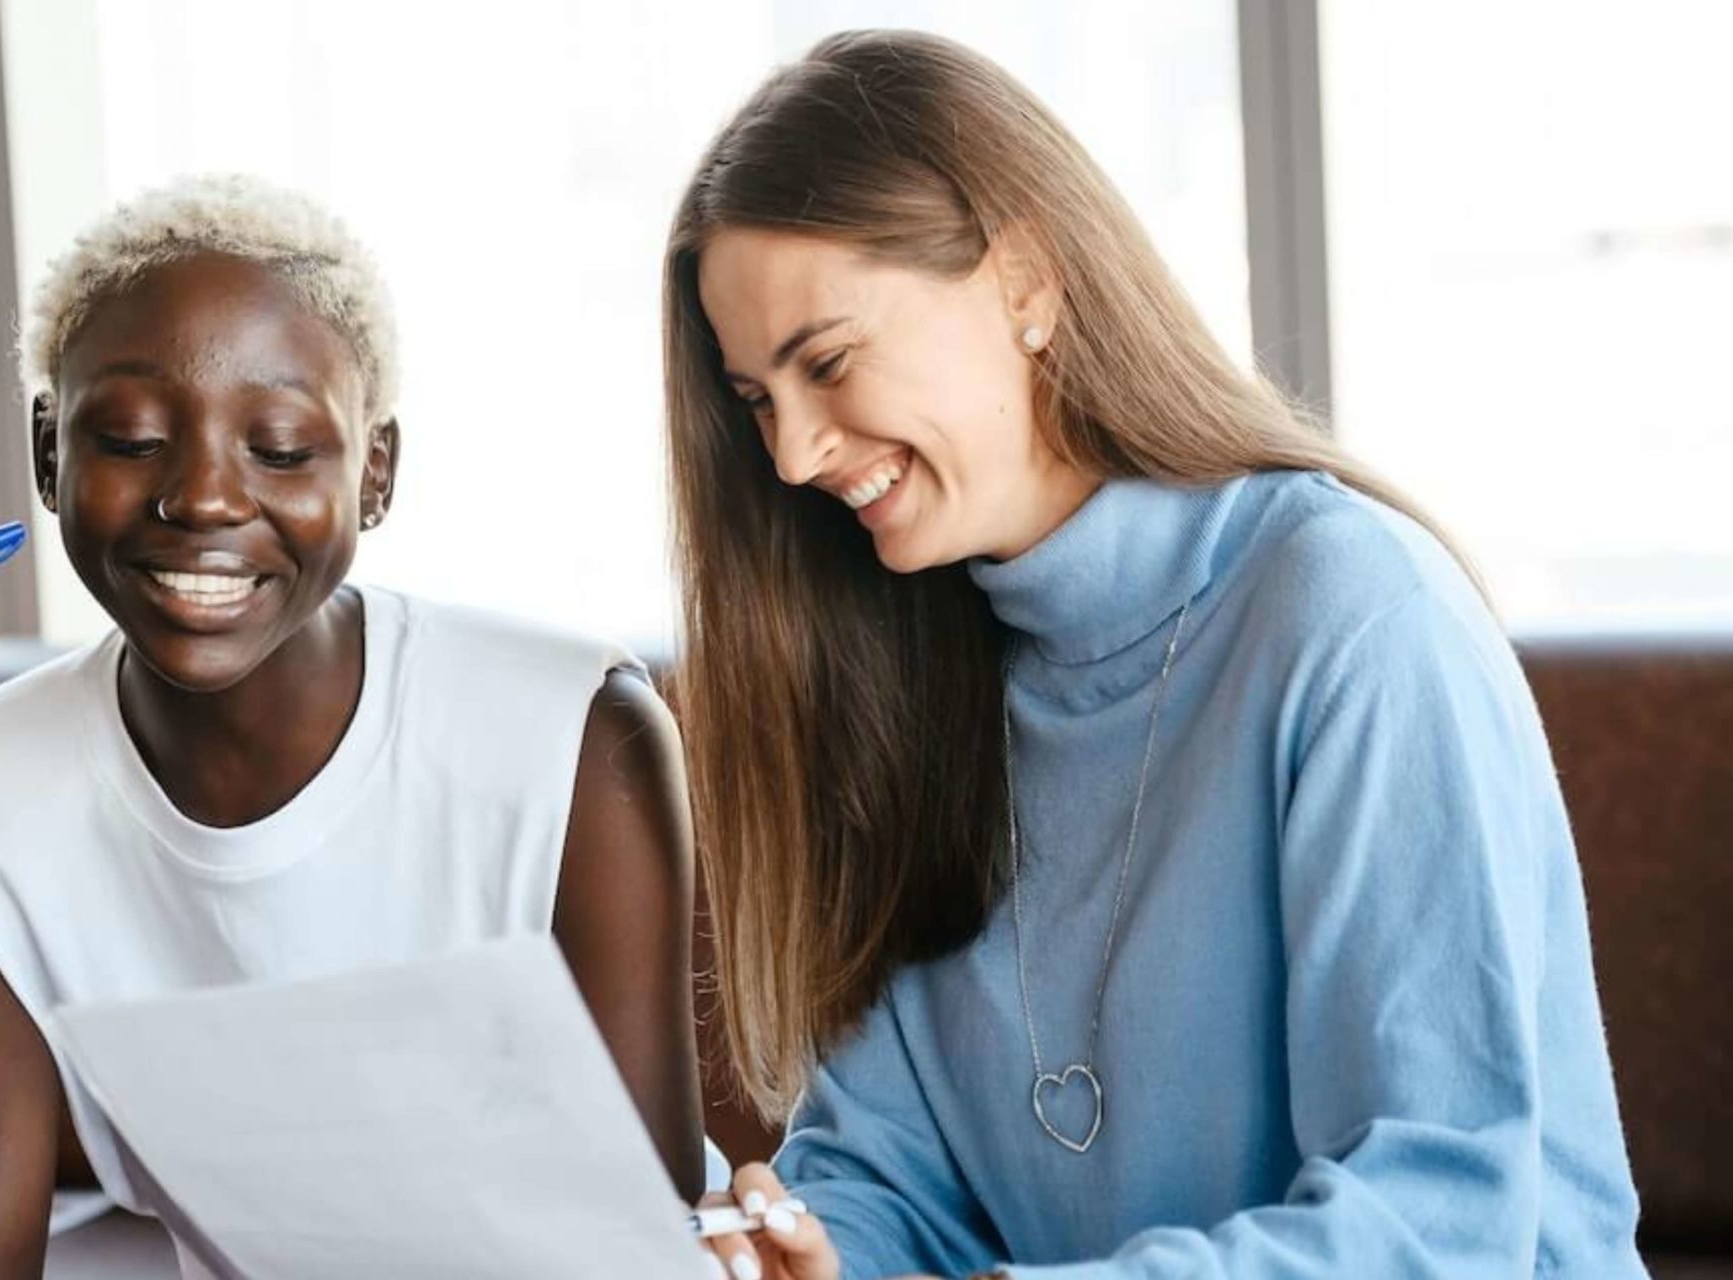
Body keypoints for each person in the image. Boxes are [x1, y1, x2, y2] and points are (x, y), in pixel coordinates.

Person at [662, 31, 1643, 1280]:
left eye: (829, 362)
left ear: (1024, 280)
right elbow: (888, 1169)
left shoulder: (1351, 618)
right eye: (756, 400)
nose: (793, 456)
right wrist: (813, 1251)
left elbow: (1442, 1224)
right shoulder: (912, 674)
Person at [0, 174, 704, 1278]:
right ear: (46, 456)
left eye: (278, 448)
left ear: (374, 472)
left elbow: (636, 1238)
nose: (204, 498)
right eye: (128, 438)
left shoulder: (573, 743)